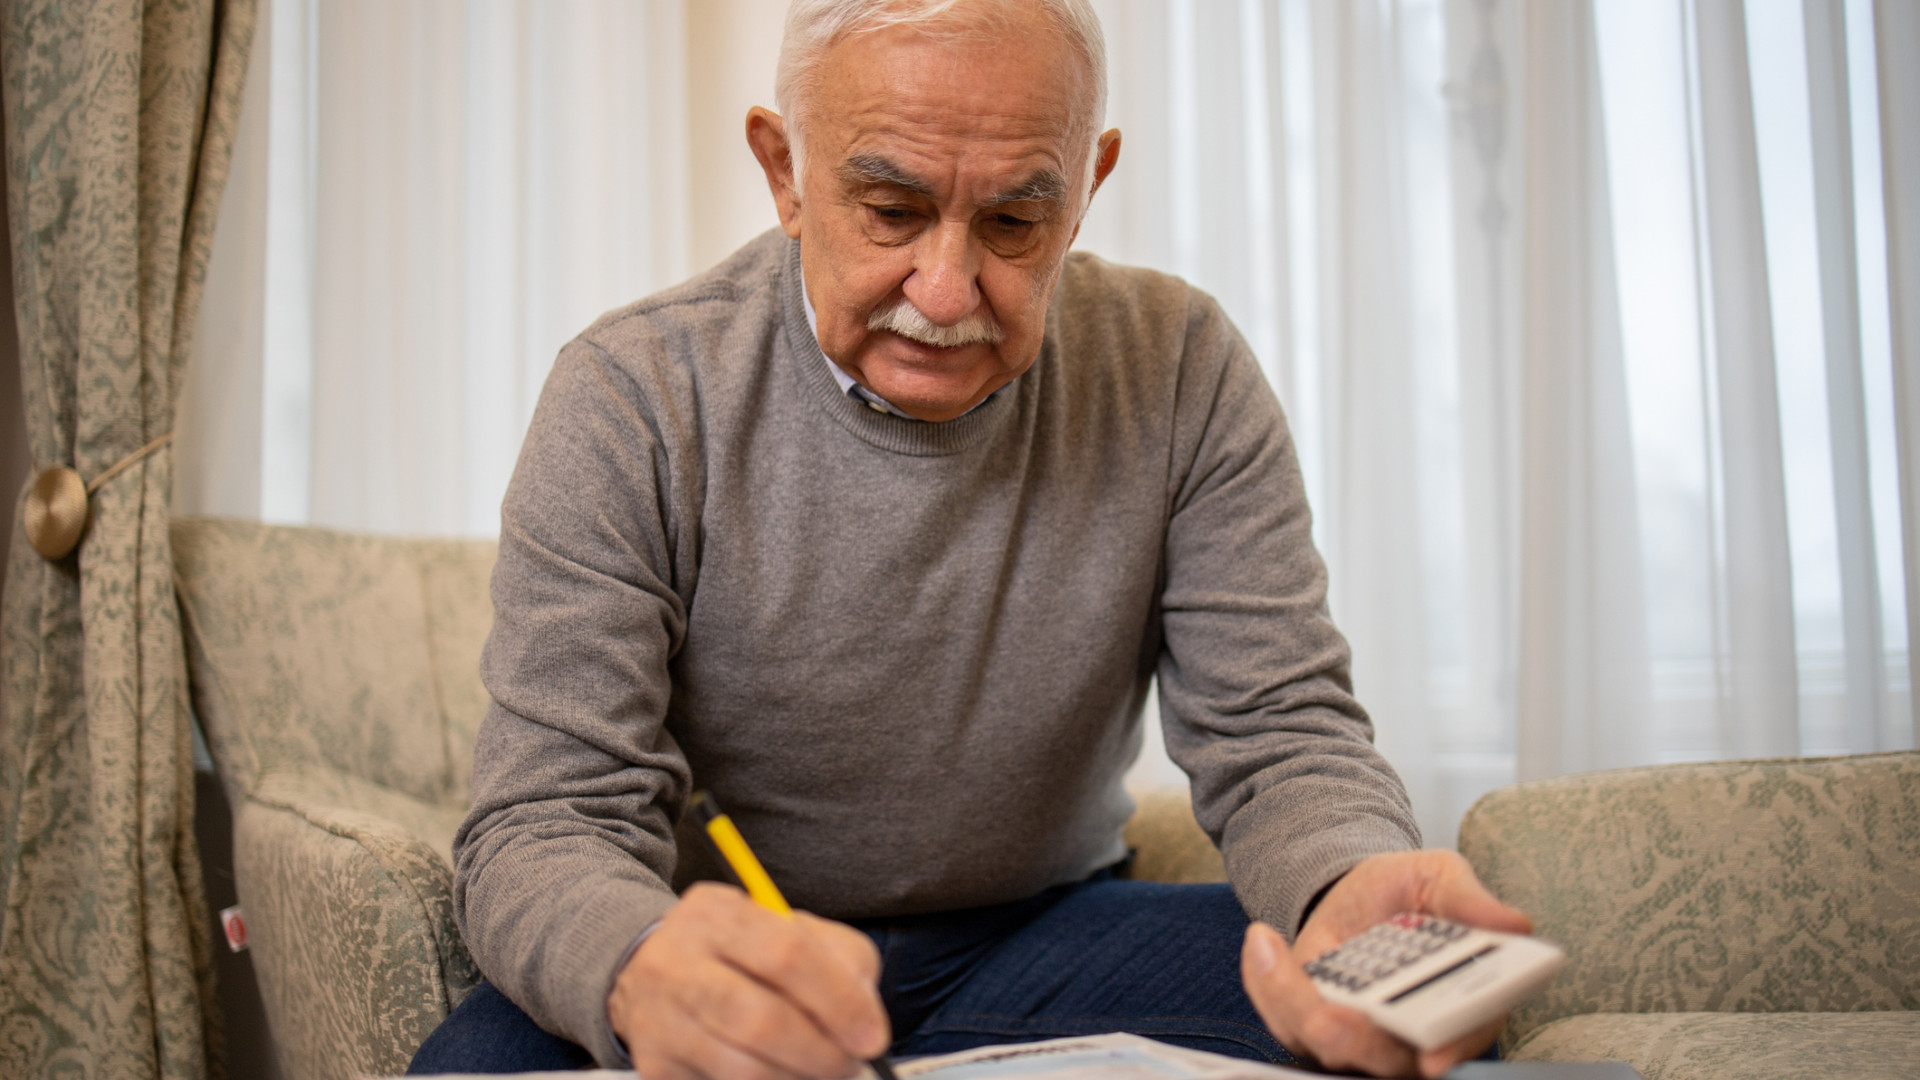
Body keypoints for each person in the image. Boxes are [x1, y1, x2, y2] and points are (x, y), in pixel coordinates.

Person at [409, 1, 1533, 1077]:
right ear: (784, 172)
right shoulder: (633, 394)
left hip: (1045, 938)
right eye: (890, 210)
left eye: (1012, 220)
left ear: (1087, 187)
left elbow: (1280, 729)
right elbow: (546, 819)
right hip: (731, 952)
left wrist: (1350, 882)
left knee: (1415, 1020)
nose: (945, 294)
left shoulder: (1181, 369)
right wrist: (643, 968)